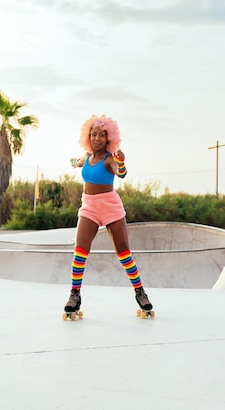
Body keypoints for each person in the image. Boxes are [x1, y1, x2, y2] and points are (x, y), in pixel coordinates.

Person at [64, 114, 153, 314]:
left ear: (108, 138)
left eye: (101, 136)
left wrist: (121, 162)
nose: (97, 138)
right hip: (89, 207)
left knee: (123, 253)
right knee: (80, 250)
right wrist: (71, 161)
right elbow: (77, 162)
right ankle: (74, 294)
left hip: (110, 206)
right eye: (93, 135)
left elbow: (121, 173)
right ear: (88, 137)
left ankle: (140, 292)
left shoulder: (109, 159)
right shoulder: (86, 158)